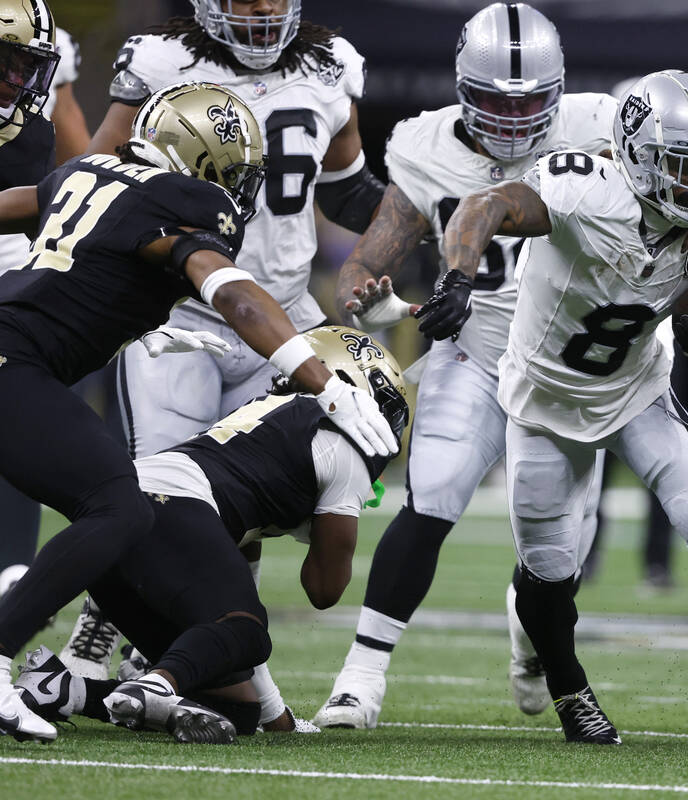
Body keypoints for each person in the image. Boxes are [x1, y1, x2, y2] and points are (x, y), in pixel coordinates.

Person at [427, 69, 688, 744]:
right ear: (639, 154)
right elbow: (482, 207)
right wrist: (460, 278)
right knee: (550, 575)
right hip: (543, 401)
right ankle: (572, 695)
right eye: (686, 168)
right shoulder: (582, 189)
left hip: (637, 392)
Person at [0, 81, 397, 744]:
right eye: (234, 174)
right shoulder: (179, 201)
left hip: (17, 358)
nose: (239, 190)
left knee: (111, 508)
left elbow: (16, 206)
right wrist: (322, 383)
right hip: (19, 366)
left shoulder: (85, 171)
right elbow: (237, 296)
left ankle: (52, 631)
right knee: (118, 508)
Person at [312, 2, 617, 729]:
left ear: (560, 90)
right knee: (434, 497)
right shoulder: (425, 145)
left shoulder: (602, 127)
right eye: (493, 100)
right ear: (460, 87)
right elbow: (365, 260)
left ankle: (529, 627)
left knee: (559, 551)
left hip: (570, 372)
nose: (512, 119)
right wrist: (366, 293)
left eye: (529, 101)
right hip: (474, 352)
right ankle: (361, 678)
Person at [13, 326, 408, 744]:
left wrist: (273, 717)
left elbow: (233, 580)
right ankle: (157, 684)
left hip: (122, 512)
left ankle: (61, 690)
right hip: (170, 508)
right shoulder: (340, 444)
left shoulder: (268, 411)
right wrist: (340, 508)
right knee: (249, 631)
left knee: (235, 707)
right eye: (383, 405)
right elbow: (324, 589)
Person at [0, 1, 88, 607]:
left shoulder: (38, 101)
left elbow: (84, 173)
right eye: (6, 61)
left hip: (15, 283)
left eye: (27, 65)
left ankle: (10, 584)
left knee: (22, 431)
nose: (17, 78)